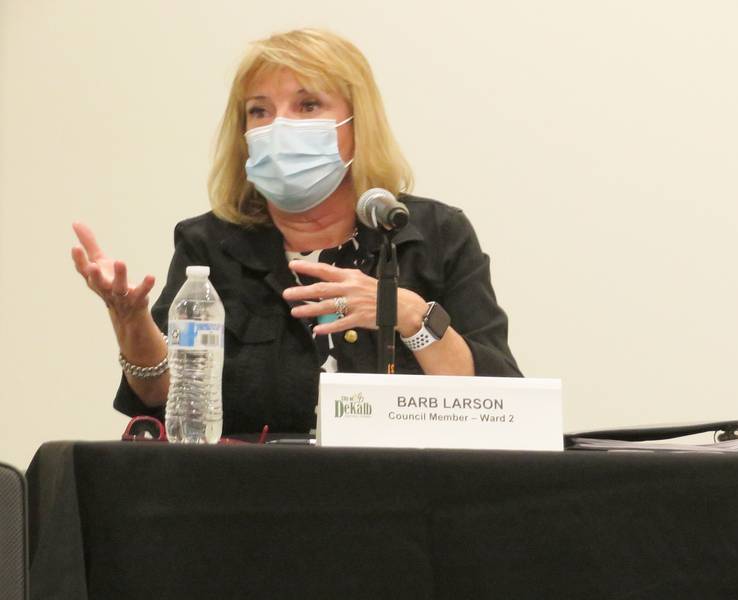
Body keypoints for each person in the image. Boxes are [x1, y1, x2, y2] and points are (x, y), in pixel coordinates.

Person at [71, 29, 521, 435]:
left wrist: (409, 316)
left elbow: (500, 397)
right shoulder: (210, 243)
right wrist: (130, 322)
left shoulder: (433, 235)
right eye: (259, 111)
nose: (279, 126)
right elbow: (163, 395)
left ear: (356, 125)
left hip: (408, 501)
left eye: (308, 105)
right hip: (249, 501)